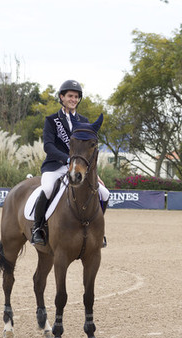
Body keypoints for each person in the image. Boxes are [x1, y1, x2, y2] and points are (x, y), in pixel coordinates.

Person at [31, 80, 110, 246]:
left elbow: (87, 150)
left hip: (79, 168)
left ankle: (98, 229)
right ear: (62, 97)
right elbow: (48, 146)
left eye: (76, 97)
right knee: (46, 189)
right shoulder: (52, 120)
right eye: (70, 96)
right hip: (55, 166)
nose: (73, 99)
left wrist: (96, 174)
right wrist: (67, 159)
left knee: (104, 193)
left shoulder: (83, 121)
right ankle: (38, 228)